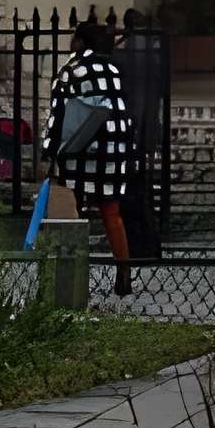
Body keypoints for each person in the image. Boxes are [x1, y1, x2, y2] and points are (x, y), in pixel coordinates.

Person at [49, 16, 137, 293]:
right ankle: (124, 272)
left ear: (81, 41)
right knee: (111, 211)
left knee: (73, 210)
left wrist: (50, 147)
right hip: (115, 146)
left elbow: (59, 111)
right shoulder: (115, 68)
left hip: (81, 146)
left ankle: (71, 272)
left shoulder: (72, 69)